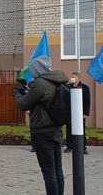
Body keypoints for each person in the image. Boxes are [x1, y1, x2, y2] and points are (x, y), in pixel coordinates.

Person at [13, 56, 68, 195]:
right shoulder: (57, 80)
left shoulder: (40, 83)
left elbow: (23, 105)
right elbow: (42, 99)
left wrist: (17, 93)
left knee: (49, 173)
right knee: (58, 170)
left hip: (42, 132)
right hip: (56, 129)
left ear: (37, 69)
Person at [64, 72, 91, 154]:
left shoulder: (85, 88)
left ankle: (83, 147)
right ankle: (69, 146)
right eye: (71, 76)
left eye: (73, 77)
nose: (71, 78)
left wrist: (85, 113)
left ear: (78, 78)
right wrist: (68, 83)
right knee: (69, 129)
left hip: (80, 113)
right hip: (69, 112)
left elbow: (87, 101)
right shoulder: (67, 87)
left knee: (81, 130)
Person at [15, 78, 35, 152]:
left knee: (35, 128)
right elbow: (23, 99)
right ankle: (34, 146)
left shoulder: (31, 86)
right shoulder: (20, 89)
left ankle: (36, 146)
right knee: (33, 128)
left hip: (37, 110)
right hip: (32, 110)